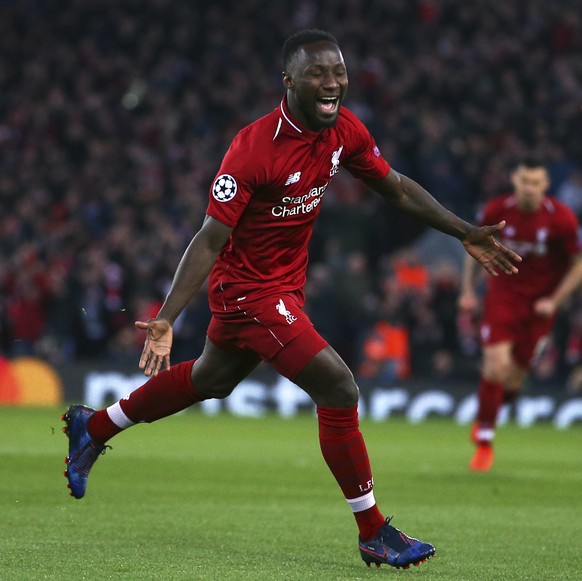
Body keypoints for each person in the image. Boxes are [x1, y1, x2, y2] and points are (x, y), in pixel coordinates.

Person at [62, 29, 521, 570]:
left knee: (213, 379)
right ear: (289, 82)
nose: (333, 84)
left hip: (284, 286)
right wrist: (168, 316)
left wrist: (463, 231)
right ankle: (374, 531)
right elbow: (209, 237)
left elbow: (394, 186)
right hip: (248, 292)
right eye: (318, 75)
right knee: (339, 386)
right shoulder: (252, 148)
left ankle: (93, 427)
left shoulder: (342, 130)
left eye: (339, 73)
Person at [458, 155, 582, 472]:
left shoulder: (562, 219)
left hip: (539, 307)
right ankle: (484, 440)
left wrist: (555, 299)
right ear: (515, 181)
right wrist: (468, 291)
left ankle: (489, 412)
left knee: (512, 383)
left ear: (545, 185)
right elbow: (474, 247)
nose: (529, 188)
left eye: (535, 183)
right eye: (524, 181)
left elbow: (577, 264)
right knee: (495, 365)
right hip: (502, 296)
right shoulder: (498, 210)